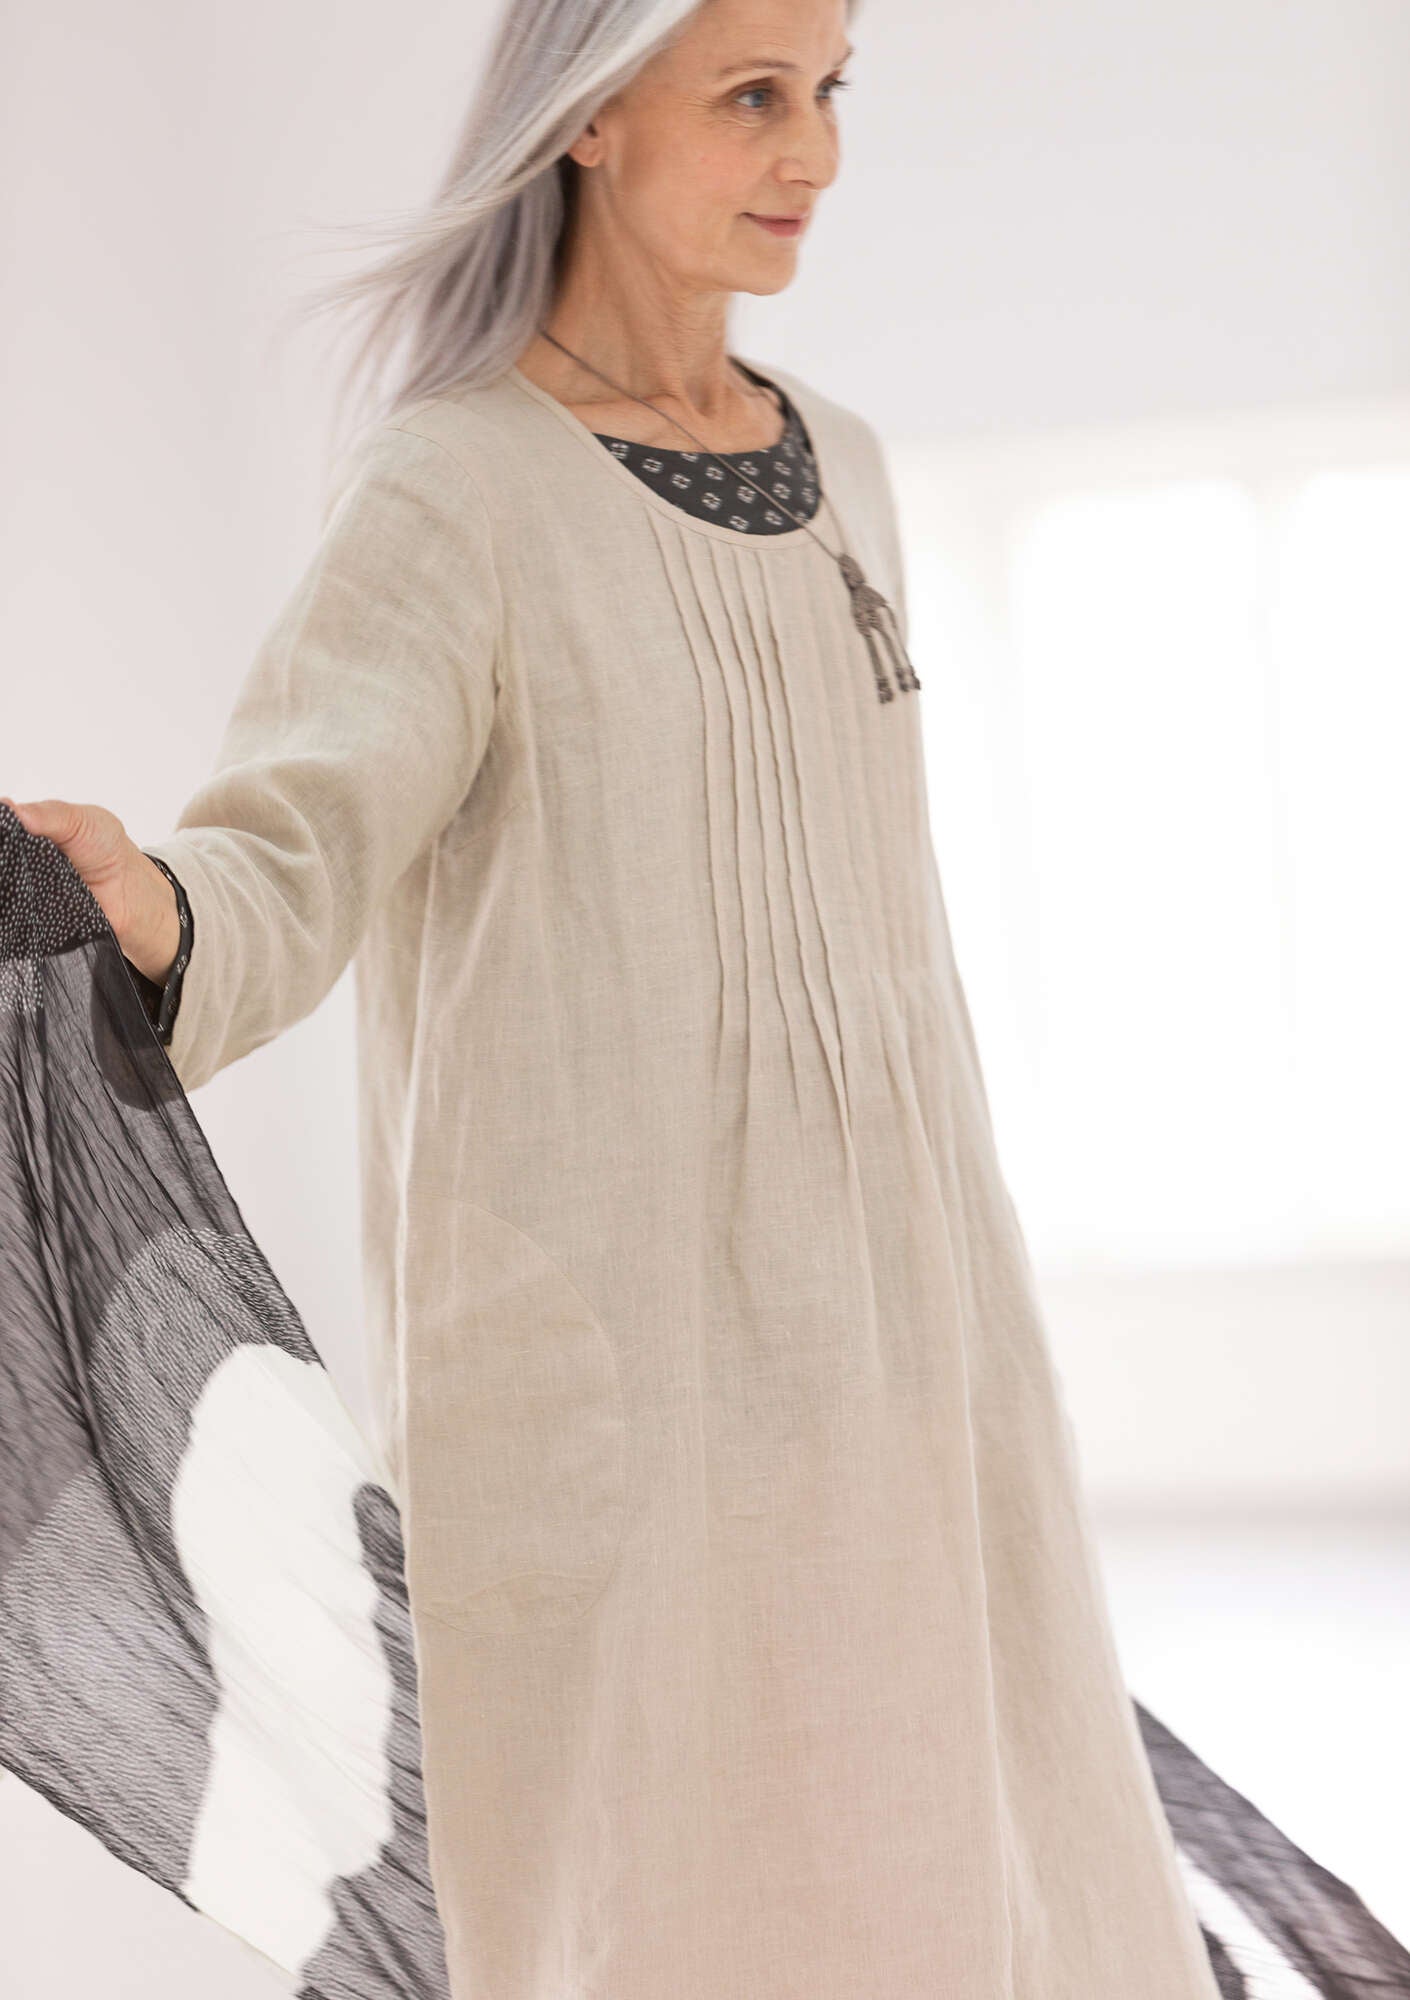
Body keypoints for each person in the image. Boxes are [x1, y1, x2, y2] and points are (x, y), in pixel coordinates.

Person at [5, 3, 1407, 1997]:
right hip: (614, 1366)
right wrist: (155, 901)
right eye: (752, 95)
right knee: (678, 1893)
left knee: (986, 1848)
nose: (812, 152)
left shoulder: (845, 466)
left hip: (912, 1323)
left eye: (828, 92)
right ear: (588, 118)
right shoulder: (456, 488)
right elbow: (295, 849)